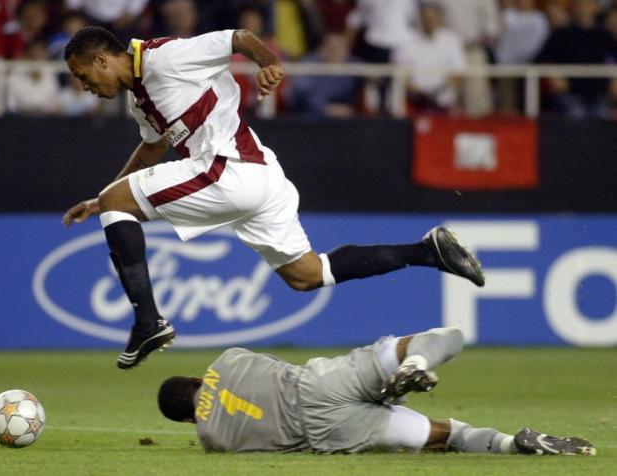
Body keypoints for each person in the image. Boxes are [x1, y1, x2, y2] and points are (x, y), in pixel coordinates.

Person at [61, 26, 486, 370]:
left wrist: (269, 64)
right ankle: (428, 251)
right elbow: (152, 148)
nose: (84, 86)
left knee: (118, 201)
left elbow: (239, 38)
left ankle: (147, 321)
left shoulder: (165, 57)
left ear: (102, 59)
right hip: (258, 175)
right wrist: (104, 201)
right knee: (307, 274)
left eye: (83, 75)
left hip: (228, 169)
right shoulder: (141, 99)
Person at [157, 327, 596, 455]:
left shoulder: (211, 439)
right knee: (444, 337)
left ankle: (507, 444)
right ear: (196, 379)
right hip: (318, 382)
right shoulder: (227, 359)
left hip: (326, 433)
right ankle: (416, 362)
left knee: (447, 435)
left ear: (184, 418)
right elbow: (276, 366)